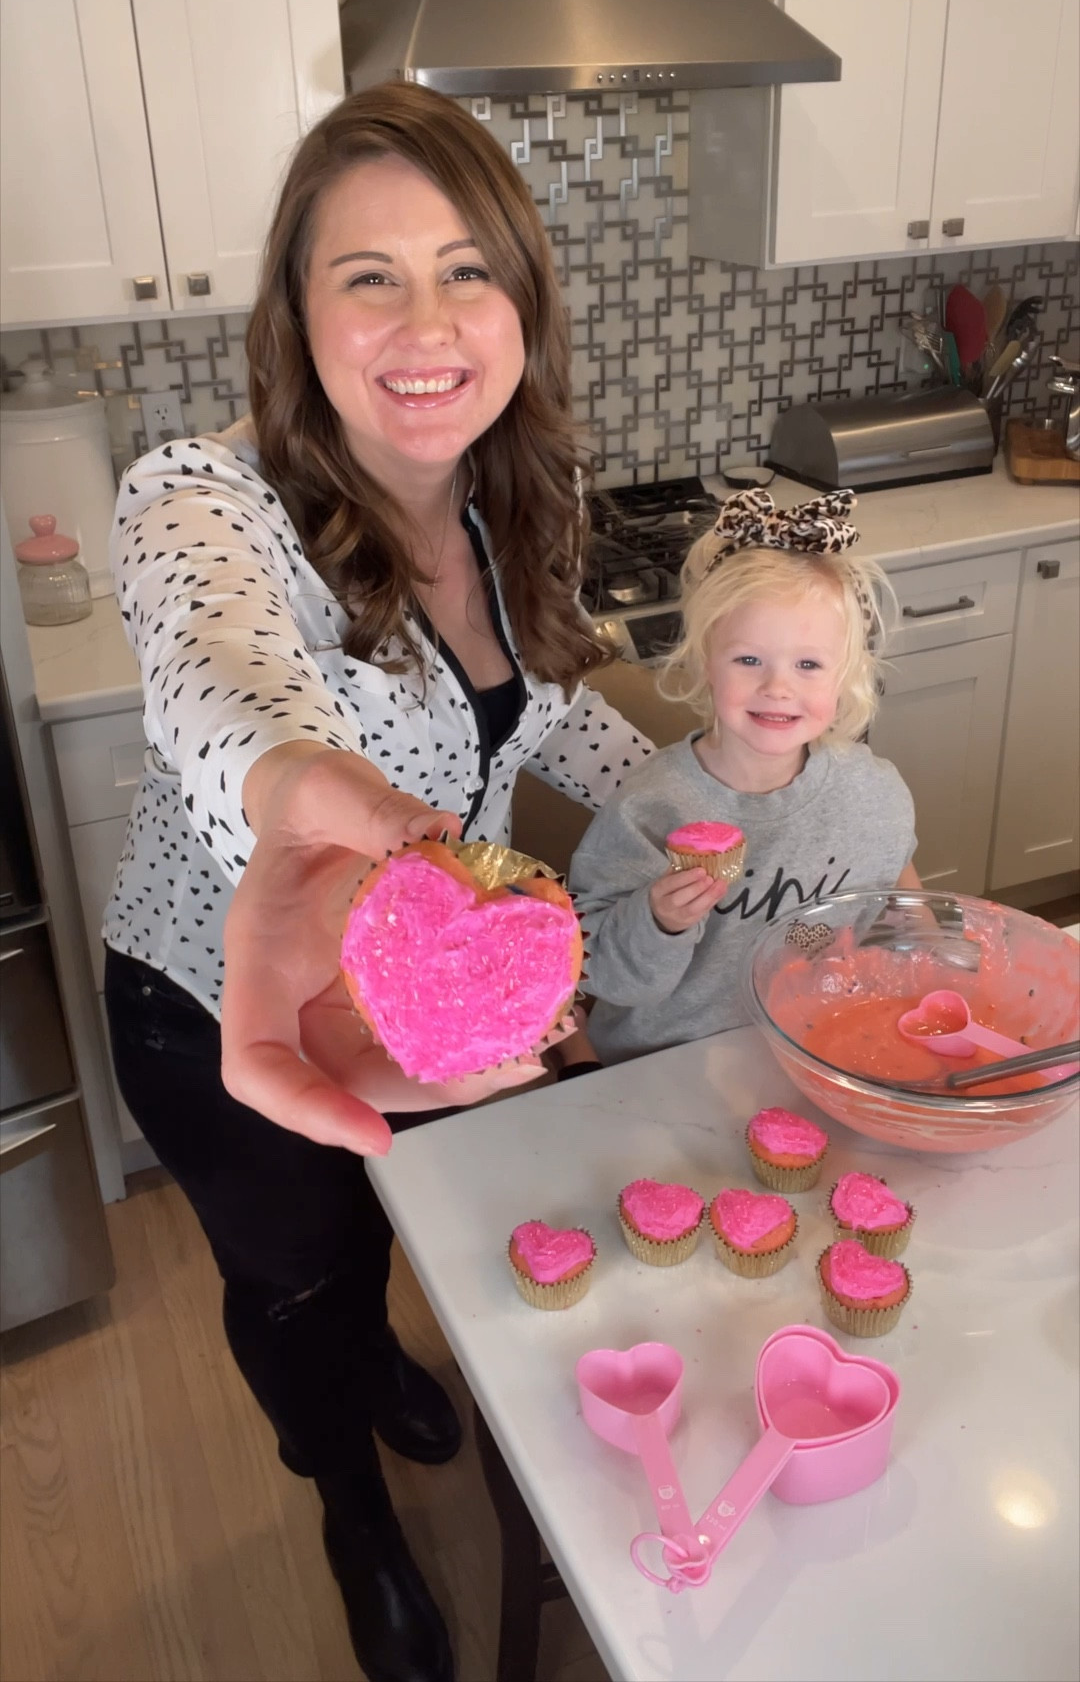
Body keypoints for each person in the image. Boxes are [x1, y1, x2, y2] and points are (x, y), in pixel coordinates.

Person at [102, 81, 652, 1682]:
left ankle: (390, 1369)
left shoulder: (508, 497)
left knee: (416, 1230)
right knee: (299, 1279)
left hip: (424, 998)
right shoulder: (203, 498)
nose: (428, 324)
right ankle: (349, 1503)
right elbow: (220, 672)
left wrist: (699, 807)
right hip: (232, 1006)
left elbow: (547, 706)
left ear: (522, 300)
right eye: (371, 277)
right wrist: (297, 795)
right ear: (297, 317)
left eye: (468, 268)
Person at [568, 488, 921, 1063]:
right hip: (664, 1062)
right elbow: (603, 973)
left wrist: (915, 962)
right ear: (706, 661)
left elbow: (898, 911)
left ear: (845, 675)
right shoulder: (651, 806)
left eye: (808, 664)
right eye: (749, 659)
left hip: (811, 1044)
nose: (778, 687)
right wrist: (659, 919)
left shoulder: (871, 793)